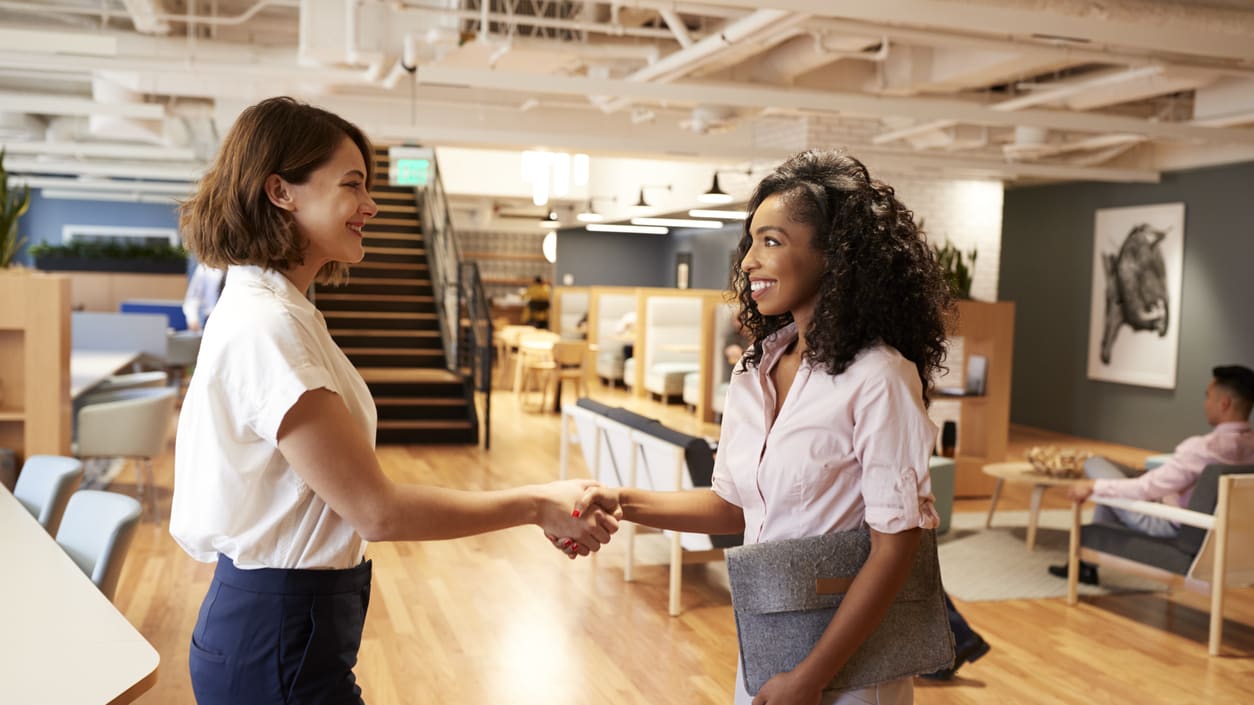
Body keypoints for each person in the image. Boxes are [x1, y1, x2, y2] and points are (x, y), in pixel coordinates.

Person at [169, 96, 618, 705]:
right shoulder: (267, 326)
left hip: (284, 630)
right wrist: (537, 503)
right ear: (282, 191)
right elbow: (376, 511)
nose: (372, 205)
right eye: (353, 185)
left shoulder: (280, 311)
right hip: (275, 639)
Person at [565, 150, 954, 705]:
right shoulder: (756, 370)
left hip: (846, 668)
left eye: (771, 241)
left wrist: (811, 679)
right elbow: (733, 507)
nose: (748, 261)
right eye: (750, 241)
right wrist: (620, 501)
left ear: (835, 257)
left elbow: (895, 548)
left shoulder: (880, 378)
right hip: (770, 641)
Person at [1049, 364, 1254, 585]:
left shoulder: (1202, 448)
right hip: (1226, 535)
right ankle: (1084, 566)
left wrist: (1093, 487)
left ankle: (1083, 565)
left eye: (1208, 397)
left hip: (1168, 524)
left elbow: (1147, 488)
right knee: (1116, 481)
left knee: (1095, 465)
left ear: (1224, 403)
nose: (1205, 404)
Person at [182, 261, 226, 331]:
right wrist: (193, 319)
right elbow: (193, 297)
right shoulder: (206, 268)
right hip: (211, 320)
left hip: (232, 320)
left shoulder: (239, 269)